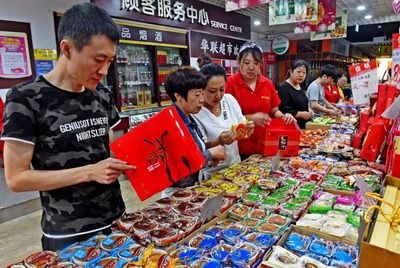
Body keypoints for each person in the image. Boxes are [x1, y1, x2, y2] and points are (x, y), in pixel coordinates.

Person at [1, 3, 136, 251]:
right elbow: (16, 178)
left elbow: (108, 152)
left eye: (110, 61)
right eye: (98, 60)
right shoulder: (24, 98)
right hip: (67, 233)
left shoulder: (102, 95)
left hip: (118, 220)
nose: (104, 71)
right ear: (67, 48)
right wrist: (89, 172)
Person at [225, 41, 295, 158]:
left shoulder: (267, 83)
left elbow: (274, 110)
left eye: (256, 63)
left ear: (260, 65)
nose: (251, 67)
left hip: (267, 142)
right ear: (239, 63)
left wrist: (283, 116)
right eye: (247, 63)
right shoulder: (230, 83)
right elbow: (226, 118)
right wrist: (250, 118)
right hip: (240, 146)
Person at [163, 67, 226, 194]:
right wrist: (209, 154)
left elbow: (195, 152)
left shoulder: (189, 119)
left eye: (202, 94)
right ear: (178, 96)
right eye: (197, 95)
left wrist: (209, 158)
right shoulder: (171, 125)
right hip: (176, 194)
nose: (202, 100)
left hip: (191, 190)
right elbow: (178, 166)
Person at [193, 63, 255, 178]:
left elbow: (242, 129)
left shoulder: (229, 100)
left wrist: (247, 130)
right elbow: (198, 148)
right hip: (213, 174)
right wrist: (219, 140)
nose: (218, 95)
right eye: (212, 91)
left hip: (236, 167)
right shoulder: (196, 111)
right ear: (201, 89)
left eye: (222, 89)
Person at [278, 60, 313, 129]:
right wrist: (301, 114)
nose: (301, 75)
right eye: (298, 72)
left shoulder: (299, 86)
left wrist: (309, 110)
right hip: (291, 126)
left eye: (304, 73)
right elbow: (284, 110)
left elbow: (302, 103)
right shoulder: (284, 88)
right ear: (291, 72)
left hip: (302, 127)